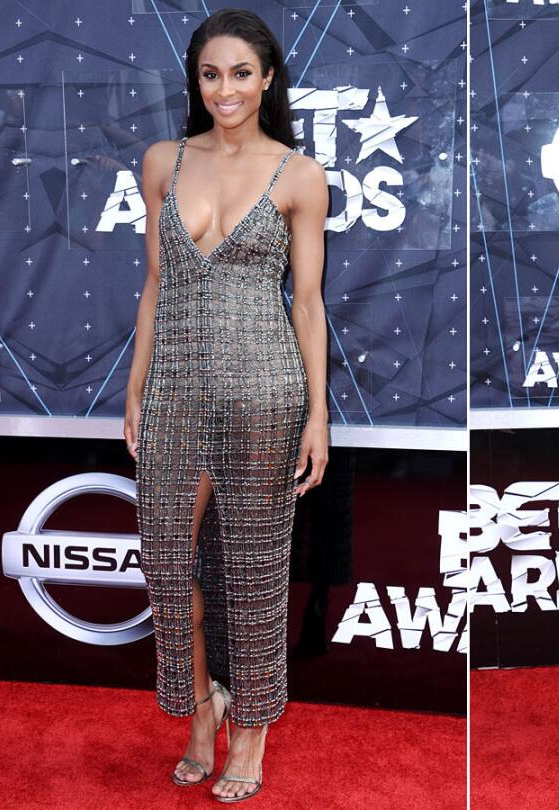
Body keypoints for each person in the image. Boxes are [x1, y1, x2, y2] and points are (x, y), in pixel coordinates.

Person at [123, 8, 329, 803]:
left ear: (268, 79)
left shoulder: (299, 174)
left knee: (253, 570)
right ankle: (199, 710)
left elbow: (307, 305)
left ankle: (252, 730)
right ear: (195, 82)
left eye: (242, 73)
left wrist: (318, 415)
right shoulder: (163, 162)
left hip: (265, 390)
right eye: (211, 74)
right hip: (174, 383)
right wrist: (136, 388)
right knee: (170, 565)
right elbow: (154, 284)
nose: (226, 89)